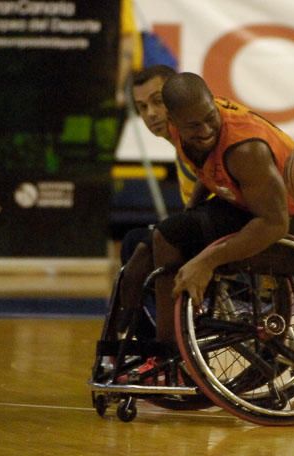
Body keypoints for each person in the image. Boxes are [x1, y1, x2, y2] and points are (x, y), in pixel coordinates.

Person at [144, 72, 294, 353]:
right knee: (140, 249)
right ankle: (137, 344)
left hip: (291, 217)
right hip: (245, 205)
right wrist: (193, 206)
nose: (206, 129)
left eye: (210, 117)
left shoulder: (246, 150)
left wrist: (205, 262)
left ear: (213, 102)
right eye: (194, 125)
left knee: (167, 237)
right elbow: (205, 165)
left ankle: (169, 352)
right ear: (174, 122)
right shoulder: (179, 130)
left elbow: (275, 224)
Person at [111, 65, 196, 337]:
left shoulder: (197, 139)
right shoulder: (180, 145)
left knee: (145, 245)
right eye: (141, 106)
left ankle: (160, 342)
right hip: (204, 228)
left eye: (158, 101)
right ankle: (144, 336)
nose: (150, 114)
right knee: (134, 241)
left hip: (224, 234)